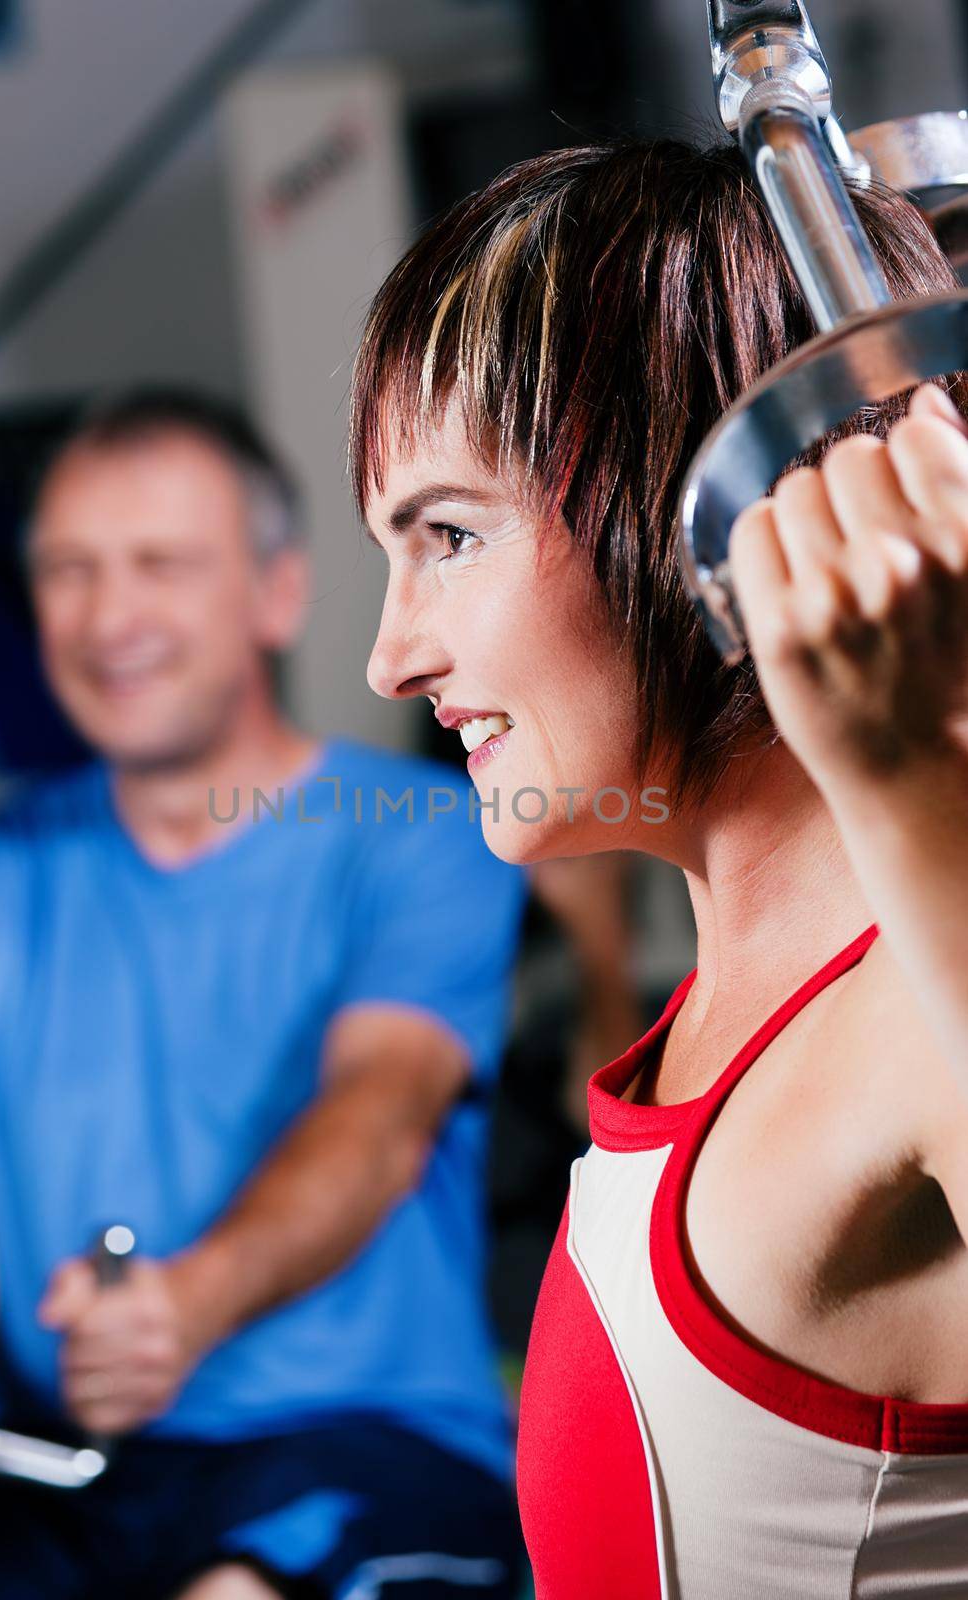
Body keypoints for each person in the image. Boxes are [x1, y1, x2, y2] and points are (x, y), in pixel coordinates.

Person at [351, 138, 968, 1594]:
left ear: (730, 505)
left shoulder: (907, 1020)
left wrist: (920, 773)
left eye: (448, 533)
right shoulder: (725, 1017)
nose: (391, 658)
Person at [0, 389, 526, 1599]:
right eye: (68, 570)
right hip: (60, 1462)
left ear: (276, 593)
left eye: (160, 565)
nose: (109, 614)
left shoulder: (415, 837)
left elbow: (381, 1117)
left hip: (356, 1438)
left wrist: (185, 1305)